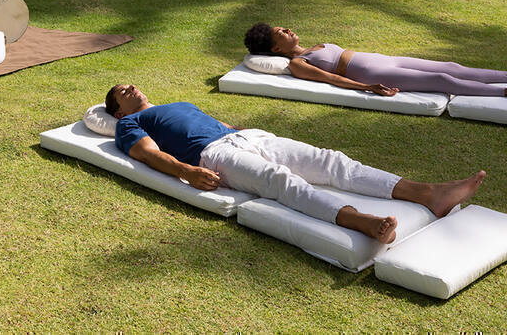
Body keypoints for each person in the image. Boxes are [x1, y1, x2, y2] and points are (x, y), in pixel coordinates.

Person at [104, 83, 485, 243]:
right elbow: (148, 155)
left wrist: (247, 130)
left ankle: (428, 192)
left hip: (248, 136)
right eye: (122, 92)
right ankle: (360, 222)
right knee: (280, 182)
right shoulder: (131, 125)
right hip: (215, 156)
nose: (131, 88)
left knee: (331, 162)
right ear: (118, 111)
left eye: (130, 84)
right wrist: (187, 171)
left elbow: (213, 123)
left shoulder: (178, 104)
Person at [244, 22, 507, 99]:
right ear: (275, 50)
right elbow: (332, 79)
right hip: (373, 72)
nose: (286, 29)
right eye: (279, 33)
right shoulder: (297, 64)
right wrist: (366, 87)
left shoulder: (309, 48)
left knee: (449, 67)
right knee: (442, 82)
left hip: (386, 59)